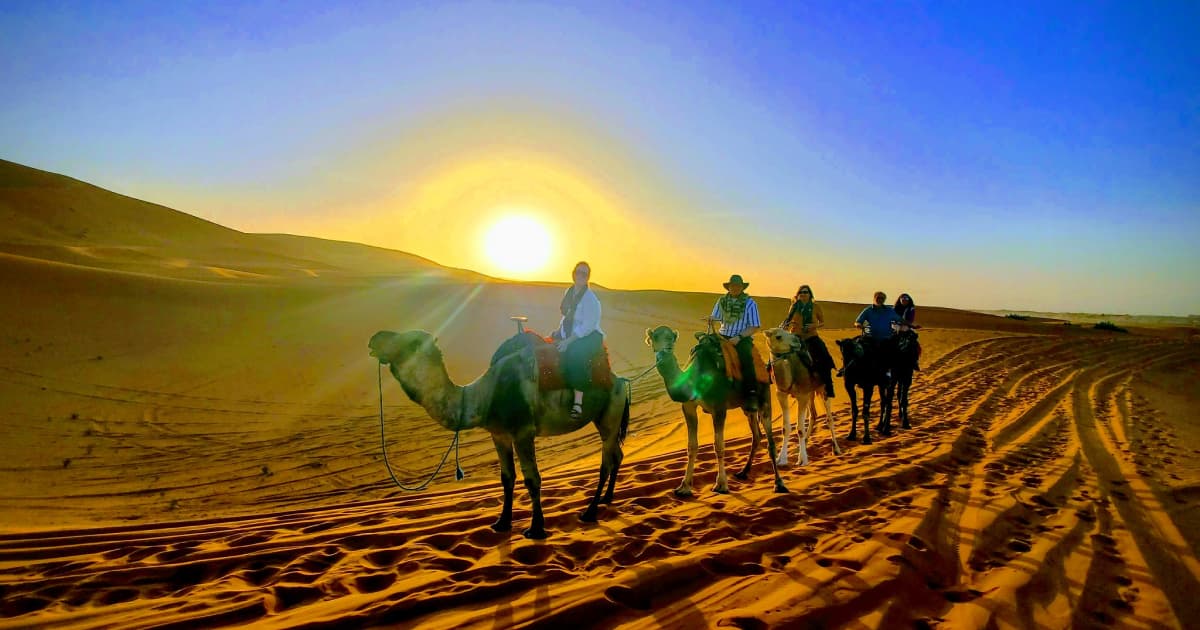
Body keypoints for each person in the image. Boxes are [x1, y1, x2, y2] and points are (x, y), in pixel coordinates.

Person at [553, 261, 604, 419]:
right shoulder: (569, 292)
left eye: (585, 274)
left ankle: (578, 402)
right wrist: (559, 333)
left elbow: (588, 325)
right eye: (579, 272)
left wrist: (568, 341)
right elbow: (566, 316)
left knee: (575, 354)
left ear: (588, 277)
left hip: (588, 335)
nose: (581, 276)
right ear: (573, 273)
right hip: (569, 331)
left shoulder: (591, 299)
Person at [710, 274, 762, 409]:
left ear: (742, 288)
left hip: (741, 338)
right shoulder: (722, 301)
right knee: (703, 351)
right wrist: (710, 319)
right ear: (729, 287)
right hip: (722, 336)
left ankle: (751, 394)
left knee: (746, 358)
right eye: (733, 286)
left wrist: (738, 338)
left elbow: (755, 326)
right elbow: (715, 317)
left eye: (738, 286)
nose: (735, 288)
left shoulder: (750, 303)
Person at [781, 284, 836, 398]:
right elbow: (788, 319)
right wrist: (783, 326)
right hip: (796, 337)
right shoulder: (794, 306)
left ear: (810, 294)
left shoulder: (816, 306)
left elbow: (822, 322)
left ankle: (828, 385)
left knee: (824, 356)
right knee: (781, 357)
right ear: (798, 294)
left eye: (806, 292)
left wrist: (814, 325)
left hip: (811, 336)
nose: (803, 294)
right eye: (801, 292)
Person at [894, 292, 922, 370]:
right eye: (902, 299)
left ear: (909, 300)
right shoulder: (895, 308)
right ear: (899, 300)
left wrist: (909, 325)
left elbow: (910, 319)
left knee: (914, 344)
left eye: (906, 299)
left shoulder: (911, 308)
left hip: (905, 329)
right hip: (894, 329)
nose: (904, 300)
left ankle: (914, 361)